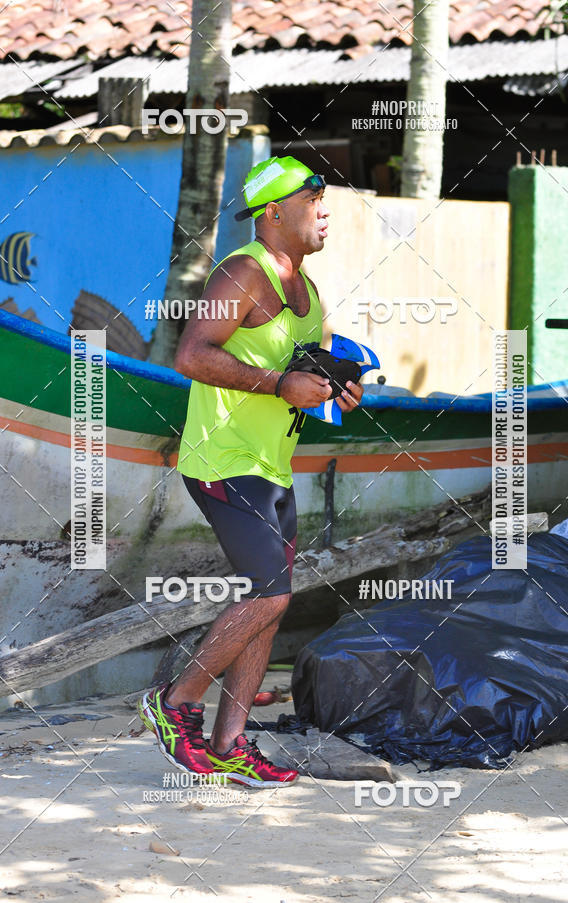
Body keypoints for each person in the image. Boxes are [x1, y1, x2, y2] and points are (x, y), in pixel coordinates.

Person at [138, 156, 363, 788]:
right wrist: (277, 384)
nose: (325, 209)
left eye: (325, 197)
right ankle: (174, 701)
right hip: (222, 458)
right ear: (273, 211)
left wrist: (333, 387)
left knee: (269, 605)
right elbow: (192, 354)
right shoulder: (243, 272)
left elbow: (303, 369)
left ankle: (231, 743)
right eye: (312, 197)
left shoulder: (308, 290)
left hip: (272, 465)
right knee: (271, 593)